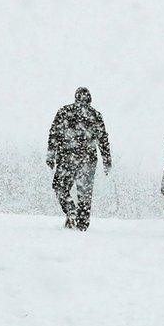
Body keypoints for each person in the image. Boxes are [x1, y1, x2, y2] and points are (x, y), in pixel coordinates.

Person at [47, 87, 112, 231]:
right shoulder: (95, 115)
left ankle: (70, 210)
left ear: (76, 97)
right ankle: (82, 226)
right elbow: (103, 140)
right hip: (88, 159)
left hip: (66, 157)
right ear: (89, 99)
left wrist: (51, 155)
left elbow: (54, 134)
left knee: (59, 187)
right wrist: (107, 160)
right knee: (85, 194)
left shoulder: (64, 111)